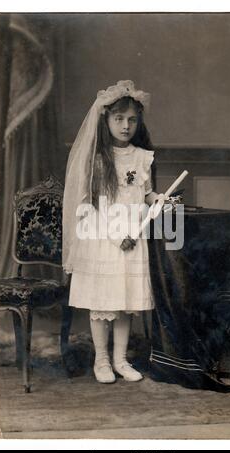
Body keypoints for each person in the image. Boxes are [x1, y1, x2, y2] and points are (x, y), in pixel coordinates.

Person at [63, 80, 165, 384]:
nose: (125, 125)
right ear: (106, 120)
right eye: (119, 119)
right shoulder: (97, 159)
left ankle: (121, 359)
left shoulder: (142, 157)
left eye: (132, 119)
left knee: (125, 302)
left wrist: (156, 200)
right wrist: (113, 234)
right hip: (104, 238)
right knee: (103, 302)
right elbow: (90, 207)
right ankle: (102, 360)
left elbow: (145, 194)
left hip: (134, 238)